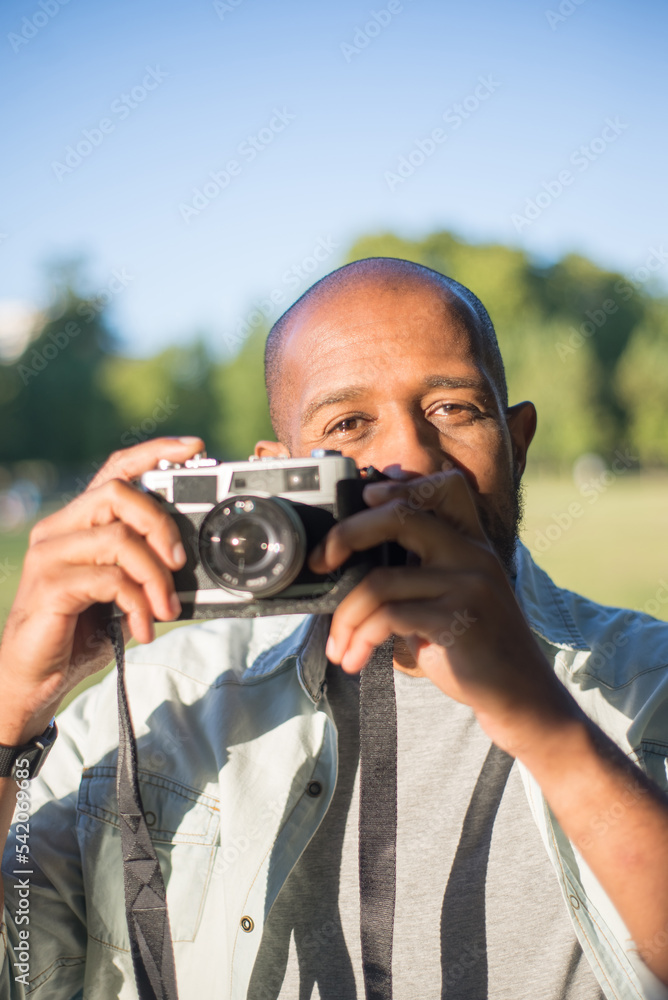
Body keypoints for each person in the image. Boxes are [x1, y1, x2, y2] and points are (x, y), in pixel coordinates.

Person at [1, 257, 668, 1000]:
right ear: (276, 476)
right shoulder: (159, 706)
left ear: (517, 442)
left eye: (453, 408)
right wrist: (10, 710)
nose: (411, 456)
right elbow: (19, 972)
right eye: (349, 424)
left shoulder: (651, 683)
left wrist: (548, 726)